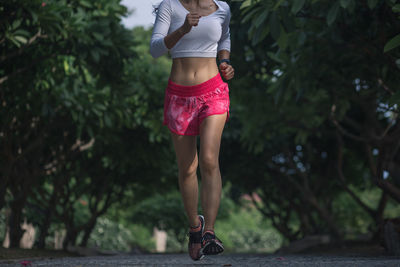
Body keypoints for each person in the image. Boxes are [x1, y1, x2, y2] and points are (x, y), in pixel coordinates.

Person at [149, 0, 234, 261]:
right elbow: (154, 49)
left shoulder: (222, 8)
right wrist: (183, 29)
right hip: (179, 96)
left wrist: (225, 62)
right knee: (187, 167)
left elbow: (225, 37)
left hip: (214, 91)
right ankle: (194, 227)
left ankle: (209, 231)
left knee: (209, 159)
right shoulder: (170, 7)